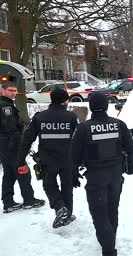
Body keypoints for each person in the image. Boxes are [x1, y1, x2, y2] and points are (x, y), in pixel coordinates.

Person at [71, 92, 133, 256]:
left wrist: (73, 174)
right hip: (115, 175)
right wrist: (130, 165)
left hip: (95, 177)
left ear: (91, 107)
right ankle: (110, 239)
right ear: (107, 106)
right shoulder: (118, 124)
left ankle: (108, 249)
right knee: (112, 209)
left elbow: (74, 154)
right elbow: (130, 146)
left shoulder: (84, 128)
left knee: (99, 213)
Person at [18, 88, 79, 228]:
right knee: (67, 186)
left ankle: (60, 208)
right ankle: (66, 214)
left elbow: (27, 139)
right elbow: (79, 139)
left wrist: (21, 159)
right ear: (65, 101)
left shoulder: (40, 117)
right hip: (67, 159)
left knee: (49, 185)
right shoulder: (71, 117)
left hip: (47, 160)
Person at [1, 80, 45, 213]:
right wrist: (20, 145)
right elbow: (11, 129)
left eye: (15, 91)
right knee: (23, 171)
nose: (13, 93)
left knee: (9, 174)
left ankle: (8, 203)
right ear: (2, 90)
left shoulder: (6, 104)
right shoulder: (5, 107)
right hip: (11, 145)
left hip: (4, 146)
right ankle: (29, 200)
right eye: (10, 90)